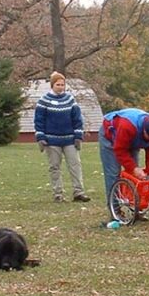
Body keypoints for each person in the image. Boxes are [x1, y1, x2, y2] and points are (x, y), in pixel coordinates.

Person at [99, 108, 149, 220]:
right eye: (147, 136)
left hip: (132, 140)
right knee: (113, 174)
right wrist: (133, 168)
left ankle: (136, 209)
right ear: (144, 129)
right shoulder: (127, 126)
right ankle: (115, 211)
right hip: (111, 137)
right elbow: (119, 150)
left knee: (135, 177)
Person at [34, 71, 90, 203]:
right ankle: (58, 194)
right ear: (52, 85)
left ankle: (79, 192)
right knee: (54, 167)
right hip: (52, 140)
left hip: (69, 139)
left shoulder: (70, 100)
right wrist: (40, 137)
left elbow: (77, 119)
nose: (60, 87)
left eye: (62, 84)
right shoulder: (43, 101)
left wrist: (78, 136)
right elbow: (39, 120)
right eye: (58, 84)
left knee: (75, 165)